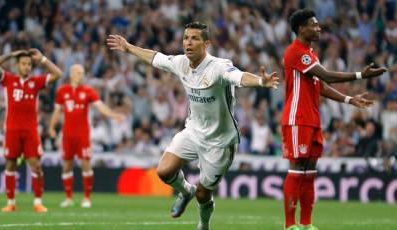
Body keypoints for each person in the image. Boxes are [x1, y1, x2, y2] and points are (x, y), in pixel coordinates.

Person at [107, 21, 279, 230]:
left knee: (203, 194)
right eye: (185, 38)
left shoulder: (218, 66)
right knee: (164, 171)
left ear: (206, 43)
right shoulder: (181, 63)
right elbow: (156, 58)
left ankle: (204, 224)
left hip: (220, 142)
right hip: (194, 132)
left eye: (194, 38)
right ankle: (185, 191)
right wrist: (128, 47)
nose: (188, 42)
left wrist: (261, 82)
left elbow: (238, 76)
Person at [281, 9, 387, 230]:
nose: (319, 28)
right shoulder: (295, 52)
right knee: (297, 168)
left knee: (310, 172)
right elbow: (327, 75)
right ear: (302, 29)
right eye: (314, 25)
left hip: (313, 119)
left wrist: (349, 99)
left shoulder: (310, 55)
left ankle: (307, 223)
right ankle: (290, 225)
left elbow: (321, 86)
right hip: (297, 119)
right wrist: (360, 75)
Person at [0, 49, 63, 212]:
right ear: (17, 65)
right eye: (23, 64)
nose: (27, 67)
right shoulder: (8, 79)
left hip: (30, 131)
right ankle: (10, 203)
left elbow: (58, 74)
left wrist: (42, 59)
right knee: (10, 165)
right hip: (12, 130)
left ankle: (38, 202)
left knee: (36, 166)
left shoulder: (35, 82)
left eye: (29, 64)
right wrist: (10, 55)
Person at [49, 64, 124, 208]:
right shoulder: (62, 91)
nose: (80, 75)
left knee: (86, 165)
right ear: (71, 74)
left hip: (82, 135)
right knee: (66, 166)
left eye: (82, 73)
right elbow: (57, 111)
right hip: (67, 135)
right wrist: (51, 127)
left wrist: (114, 115)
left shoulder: (88, 91)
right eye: (78, 72)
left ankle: (87, 198)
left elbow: (100, 106)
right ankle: (69, 198)